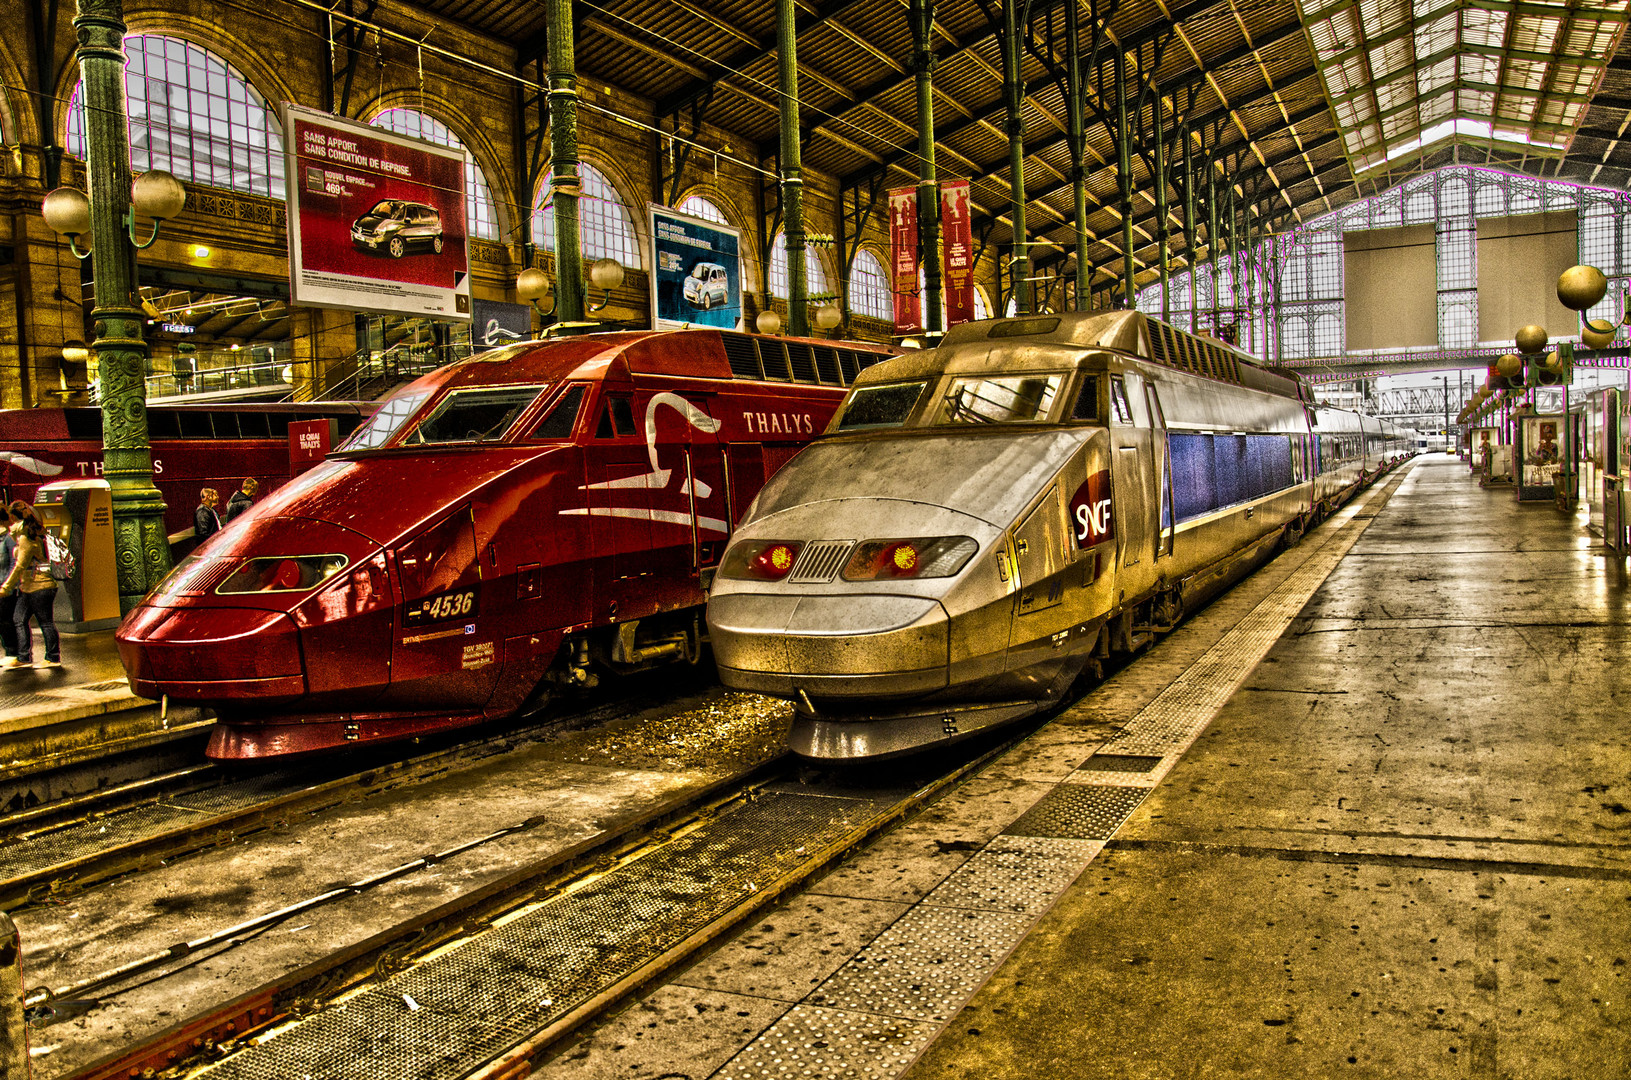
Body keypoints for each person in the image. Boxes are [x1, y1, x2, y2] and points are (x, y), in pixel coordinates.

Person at [2, 500, 61, 670]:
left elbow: (20, 565)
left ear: (13, 517)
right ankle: (23, 657)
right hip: (29, 586)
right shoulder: (26, 533)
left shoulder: (28, 537)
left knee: (46, 622)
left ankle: (53, 657)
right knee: (18, 619)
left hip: (41, 585)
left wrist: (6, 587)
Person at [0, 505, 20, 668]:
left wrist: (8, 585)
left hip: (5, 587)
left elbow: (15, 563)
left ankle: (13, 652)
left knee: (6, 620)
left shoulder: (8, 539)